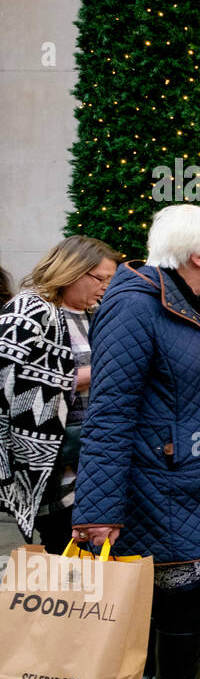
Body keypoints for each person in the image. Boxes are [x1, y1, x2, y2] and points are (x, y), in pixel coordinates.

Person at [71, 205, 200, 679]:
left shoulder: (196, 301)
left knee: (177, 596)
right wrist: (97, 511)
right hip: (167, 488)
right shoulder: (135, 307)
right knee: (186, 599)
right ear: (196, 256)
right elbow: (110, 411)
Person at [0, 236, 118, 552]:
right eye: (100, 278)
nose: (105, 286)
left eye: (110, 279)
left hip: (96, 461)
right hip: (54, 464)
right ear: (72, 270)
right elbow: (10, 381)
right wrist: (96, 373)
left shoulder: (99, 313)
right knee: (66, 559)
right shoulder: (29, 311)